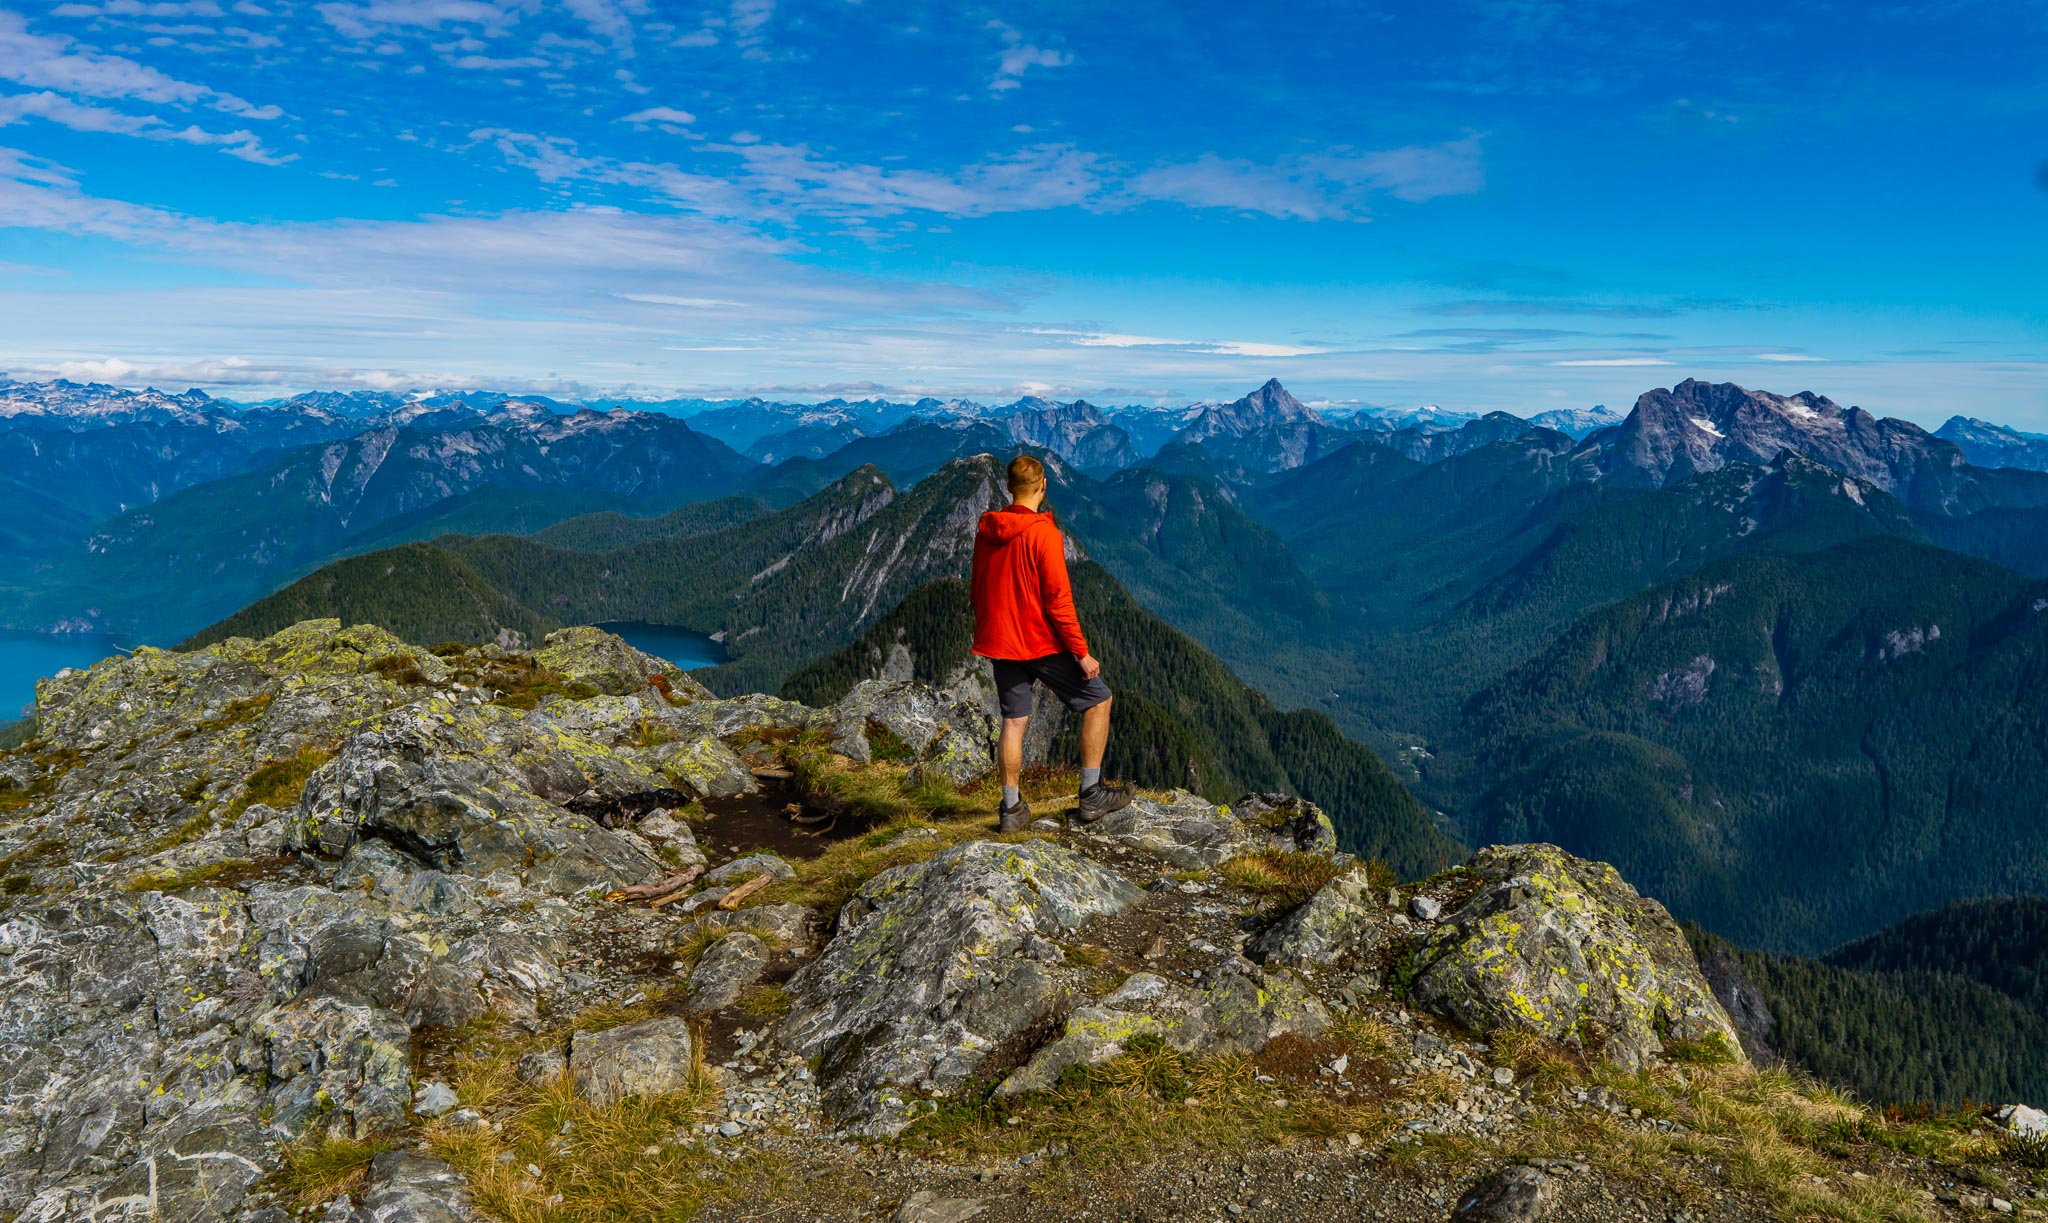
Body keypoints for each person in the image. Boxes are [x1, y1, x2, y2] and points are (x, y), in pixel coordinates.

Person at [970, 454, 1135, 832]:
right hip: (1040, 641)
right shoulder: (1044, 534)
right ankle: (1091, 793)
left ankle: (1011, 810)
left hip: (1000, 641)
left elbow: (976, 587)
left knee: (1013, 723)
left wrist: (989, 627)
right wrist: (1081, 653)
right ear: (1044, 486)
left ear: (1008, 488)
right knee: (1099, 699)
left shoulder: (986, 531)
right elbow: (1058, 603)